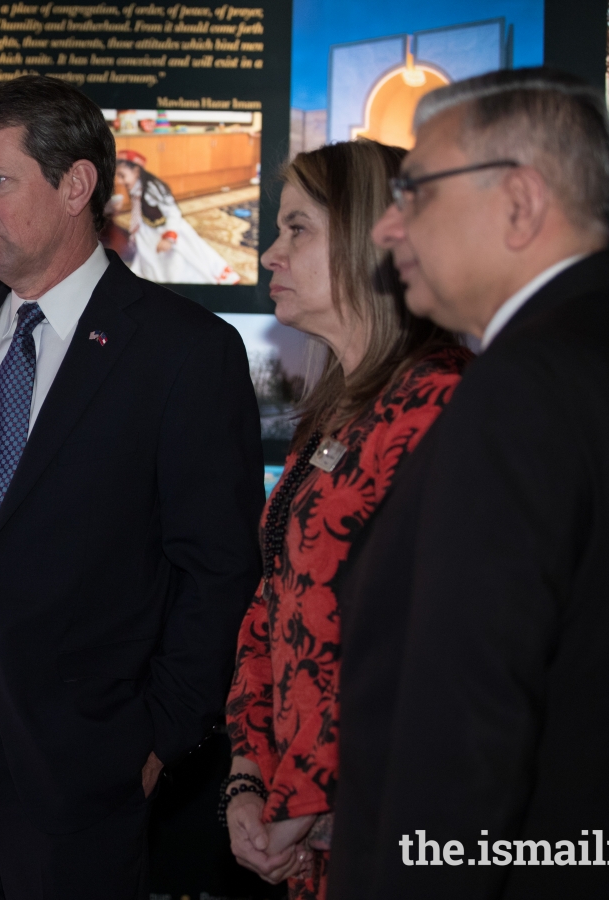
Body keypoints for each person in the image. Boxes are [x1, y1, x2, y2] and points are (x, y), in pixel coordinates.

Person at [0, 75, 265, 898]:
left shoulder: (185, 351)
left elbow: (217, 568)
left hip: (85, 767)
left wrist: (158, 736)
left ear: (77, 184)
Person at [330, 67, 609, 899]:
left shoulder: (521, 388)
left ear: (520, 203)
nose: (386, 228)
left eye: (412, 190)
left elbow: (465, 718)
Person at [222, 139, 471, 900]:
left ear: (375, 237)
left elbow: (437, 647)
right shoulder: (336, 412)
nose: (270, 252)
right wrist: (247, 778)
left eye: (297, 229)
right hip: (307, 834)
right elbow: (274, 603)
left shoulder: (444, 410)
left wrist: (313, 802)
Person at [107, 149, 241, 284]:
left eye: (122, 175)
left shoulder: (152, 189)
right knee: (147, 258)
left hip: (166, 230)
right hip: (149, 229)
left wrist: (169, 239)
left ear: (136, 171)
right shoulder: (136, 187)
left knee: (174, 266)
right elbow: (138, 212)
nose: (119, 181)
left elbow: (173, 213)